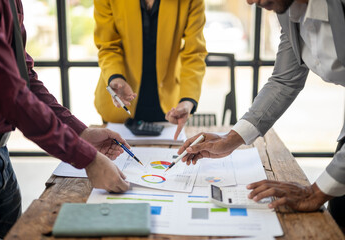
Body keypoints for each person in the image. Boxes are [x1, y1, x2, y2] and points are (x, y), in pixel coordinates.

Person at [178, 0, 345, 231]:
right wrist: (231, 139)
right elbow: (284, 80)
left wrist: (314, 192)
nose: (249, 1)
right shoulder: (288, 11)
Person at [0, 0, 130, 238]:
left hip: (0, 153)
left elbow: (25, 79)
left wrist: (81, 133)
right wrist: (87, 158)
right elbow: (11, 94)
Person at [93, 0, 207, 140]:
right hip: (121, 103)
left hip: (168, 106)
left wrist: (188, 100)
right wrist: (115, 77)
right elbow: (108, 46)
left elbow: (194, 53)